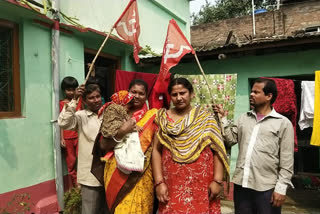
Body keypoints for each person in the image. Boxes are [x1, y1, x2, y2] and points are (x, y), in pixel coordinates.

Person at [214, 78, 294, 214]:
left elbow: (287, 160)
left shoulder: (282, 123)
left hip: (267, 188)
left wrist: (281, 189)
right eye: (251, 92)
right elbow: (230, 139)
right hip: (241, 184)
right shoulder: (244, 118)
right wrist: (222, 118)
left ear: (269, 96)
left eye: (256, 92)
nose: (251, 95)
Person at [152, 77, 229, 214]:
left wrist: (217, 181)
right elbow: (156, 151)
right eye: (175, 95)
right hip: (172, 183)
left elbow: (218, 150)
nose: (179, 98)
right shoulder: (163, 119)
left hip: (202, 183)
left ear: (191, 93)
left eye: (183, 93)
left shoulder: (205, 118)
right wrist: (159, 182)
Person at [98, 79, 158, 213]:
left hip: (141, 175)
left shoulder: (153, 115)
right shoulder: (115, 113)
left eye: (141, 93)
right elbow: (103, 144)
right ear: (127, 93)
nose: (136, 96)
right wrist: (122, 131)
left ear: (146, 96)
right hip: (116, 172)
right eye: (133, 92)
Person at [58, 83, 108, 214]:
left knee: (107, 210)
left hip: (109, 172)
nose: (96, 100)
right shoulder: (81, 116)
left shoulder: (108, 114)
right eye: (91, 98)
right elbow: (63, 122)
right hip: (90, 175)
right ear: (84, 101)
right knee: (89, 210)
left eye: (98, 96)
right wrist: (74, 99)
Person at [59, 76, 80, 186]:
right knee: (71, 162)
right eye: (68, 90)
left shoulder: (79, 102)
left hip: (79, 136)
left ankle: (82, 182)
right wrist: (62, 138)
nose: (71, 92)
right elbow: (62, 122)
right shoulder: (62, 104)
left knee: (81, 159)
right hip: (67, 137)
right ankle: (76, 185)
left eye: (73, 89)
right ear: (64, 90)